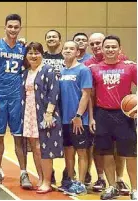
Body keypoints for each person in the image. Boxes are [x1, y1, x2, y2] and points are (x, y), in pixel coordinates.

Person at [0, 14, 31, 188]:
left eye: (16, 27)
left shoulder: (23, 48)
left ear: (20, 28)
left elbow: (29, 69)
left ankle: (23, 173)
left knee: (20, 137)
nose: (13, 29)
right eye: (10, 26)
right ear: (5, 27)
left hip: (17, 97)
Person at [89, 35, 136, 200]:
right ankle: (111, 187)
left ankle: (135, 189)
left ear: (119, 49)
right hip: (102, 114)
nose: (110, 50)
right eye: (107, 47)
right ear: (102, 49)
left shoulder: (130, 68)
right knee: (106, 153)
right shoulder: (94, 69)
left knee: (130, 154)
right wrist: (92, 117)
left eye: (113, 47)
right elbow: (89, 95)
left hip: (124, 116)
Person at [21, 42, 62, 193]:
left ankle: (47, 181)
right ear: (26, 56)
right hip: (29, 112)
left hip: (44, 113)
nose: (33, 56)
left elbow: (54, 92)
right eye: (30, 53)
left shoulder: (48, 70)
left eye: (36, 53)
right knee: (34, 147)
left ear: (42, 54)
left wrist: (49, 113)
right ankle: (40, 177)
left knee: (43, 147)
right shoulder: (25, 73)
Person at [58, 40, 93, 196]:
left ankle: (81, 182)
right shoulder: (61, 71)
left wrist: (78, 115)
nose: (68, 51)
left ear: (78, 52)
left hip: (78, 120)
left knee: (81, 152)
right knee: (68, 152)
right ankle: (70, 181)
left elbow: (86, 94)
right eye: (65, 48)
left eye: (71, 49)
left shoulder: (83, 70)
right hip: (64, 120)